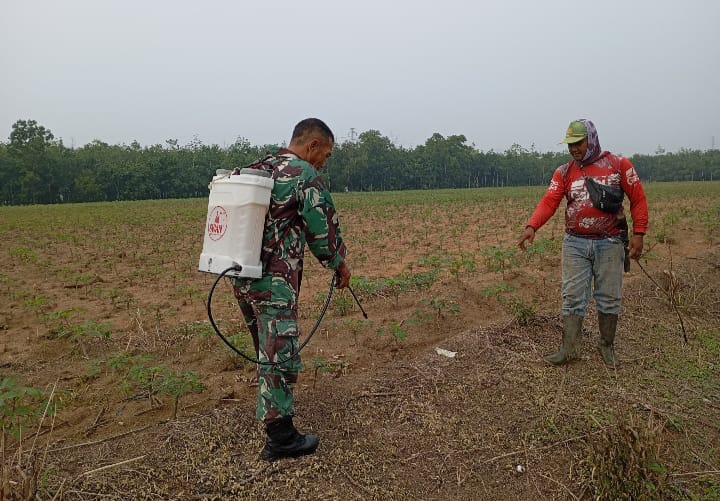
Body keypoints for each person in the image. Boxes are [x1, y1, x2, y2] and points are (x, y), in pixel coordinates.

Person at [232, 118, 351, 461]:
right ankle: (281, 438)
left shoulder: (261, 166)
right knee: (278, 355)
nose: (324, 162)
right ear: (312, 145)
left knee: (266, 351)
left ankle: (274, 418)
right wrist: (339, 264)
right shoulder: (303, 174)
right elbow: (322, 231)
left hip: (241, 275)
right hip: (274, 282)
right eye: (326, 154)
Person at [518, 119, 648, 367]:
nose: (573, 149)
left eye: (578, 143)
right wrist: (532, 226)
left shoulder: (619, 165)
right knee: (572, 297)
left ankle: (606, 345)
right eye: (570, 144)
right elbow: (549, 200)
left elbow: (638, 199)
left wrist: (639, 233)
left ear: (592, 139)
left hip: (610, 243)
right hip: (575, 244)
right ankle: (569, 349)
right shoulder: (564, 172)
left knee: (609, 297)